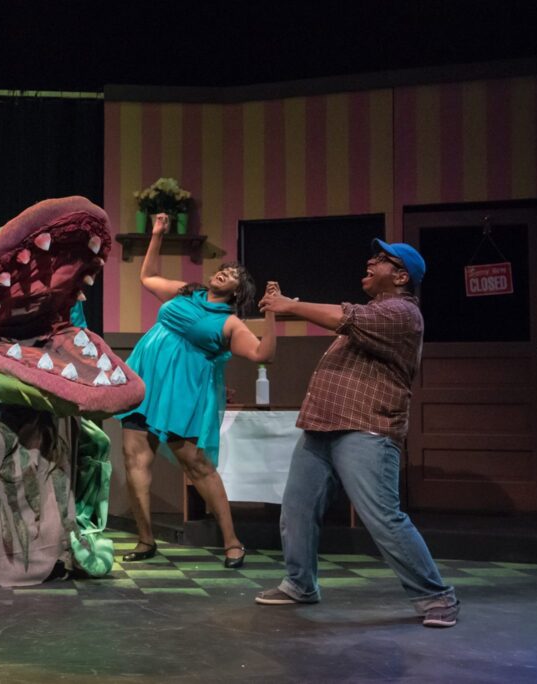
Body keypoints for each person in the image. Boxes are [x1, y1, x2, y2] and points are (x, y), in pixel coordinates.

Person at [254, 239, 460, 628]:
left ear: (401, 277)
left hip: (366, 428)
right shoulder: (375, 312)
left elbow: (344, 317)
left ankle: (436, 596)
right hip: (323, 424)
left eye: (382, 259)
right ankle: (300, 584)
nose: (371, 261)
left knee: (382, 516)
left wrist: (289, 306)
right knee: (297, 508)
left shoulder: (402, 313)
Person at [120, 213, 277, 568]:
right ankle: (145, 539)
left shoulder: (230, 323)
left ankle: (232, 542)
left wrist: (271, 314)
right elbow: (148, 276)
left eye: (232, 275)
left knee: (197, 466)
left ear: (237, 292)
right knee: (134, 459)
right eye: (224, 269)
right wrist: (157, 234)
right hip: (145, 381)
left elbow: (262, 354)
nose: (224, 273)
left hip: (182, 394)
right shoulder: (186, 293)